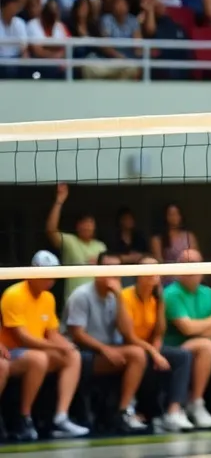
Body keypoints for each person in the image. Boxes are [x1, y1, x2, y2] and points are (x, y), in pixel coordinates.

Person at [0, 251, 91, 439]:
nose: (50, 279)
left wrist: (66, 345)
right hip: (12, 353)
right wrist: (56, 347)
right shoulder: (14, 294)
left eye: (53, 274)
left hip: (35, 351)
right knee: (39, 358)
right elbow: (22, 338)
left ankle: (61, 418)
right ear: (32, 272)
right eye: (45, 273)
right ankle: (23, 417)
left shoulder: (48, 298)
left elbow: (52, 333)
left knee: (72, 355)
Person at [64, 252, 148, 432]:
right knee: (135, 355)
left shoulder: (115, 296)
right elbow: (77, 334)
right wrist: (105, 349)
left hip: (105, 351)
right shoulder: (82, 295)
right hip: (81, 355)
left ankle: (123, 411)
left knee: (138, 355)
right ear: (97, 271)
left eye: (117, 270)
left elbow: (127, 331)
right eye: (108, 269)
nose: (113, 275)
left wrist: (119, 297)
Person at [121, 256, 195, 432]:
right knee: (146, 359)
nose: (153, 274)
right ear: (137, 275)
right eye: (148, 270)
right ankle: (132, 411)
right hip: (129, 346)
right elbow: (128, 337)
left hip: (149, 347)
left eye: (156, 270)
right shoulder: (125, 296)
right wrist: (154, 353)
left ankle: (173, 412)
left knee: (182, 356)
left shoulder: (158, 297)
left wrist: (156, 350)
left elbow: (159, 332)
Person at [162, 249, 211, 428]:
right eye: (186, 263)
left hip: (199, 345)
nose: (192, 268)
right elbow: (187, 328)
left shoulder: (207, 292)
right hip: (173, 347)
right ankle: (195, 402)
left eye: (196, 263)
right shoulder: (171, 293)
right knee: (207, 347)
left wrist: (201, 329)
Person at [44, 183, 106, 299]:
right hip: (73, 300)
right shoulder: (70, 241)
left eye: (90, 223)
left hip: (96, 301)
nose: (87, 226)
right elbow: (51, 231)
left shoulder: (101, 246)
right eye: (84, 223)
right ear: (77, 226)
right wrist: (59, 201)